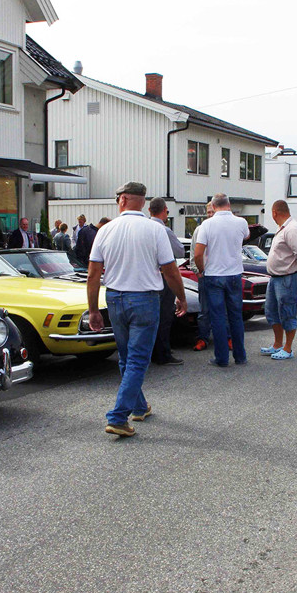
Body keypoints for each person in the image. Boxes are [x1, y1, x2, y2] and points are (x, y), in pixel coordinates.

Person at [87, 182, 186, 437]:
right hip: (144, 299)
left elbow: (93, 274)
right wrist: (181, 297)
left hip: (115, 298)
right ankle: (118, 417)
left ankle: (139, 406)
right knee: (138, 360)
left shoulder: (105, 230)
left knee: (127, 359)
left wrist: (93, 310)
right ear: (143, 202)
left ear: (122, 200)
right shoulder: (155, 229)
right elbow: (170, 270)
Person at [194, 193, 249, 367]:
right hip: (234, 274)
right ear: (229, 204)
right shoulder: (241, 222)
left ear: (213, 206)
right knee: (236, 317)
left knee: (217, 317)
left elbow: (198, 253)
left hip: (214, 275)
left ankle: (222, 358)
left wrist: (202, 269)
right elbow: (246, 236)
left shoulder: (207, 225)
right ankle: (240, 356)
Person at [261, 200, 297, 359]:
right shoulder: (282, 228)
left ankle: (288, 348)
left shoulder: (292, 229)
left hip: (287, 277)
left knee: (287, 312)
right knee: (271, 311)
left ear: (275, 212)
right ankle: (277, 344)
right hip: (276, 277)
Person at [149, 197, 185, 366]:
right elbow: (179, 252)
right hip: (163, 276)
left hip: (148, 277)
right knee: (164, 316)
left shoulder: (144, 227)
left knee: (151, 316)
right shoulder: (164, 230)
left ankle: (152, 350)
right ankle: (163, 353)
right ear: (164, 211)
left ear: (149, 211)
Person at [190, 202, 217, 352]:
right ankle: (202, 338)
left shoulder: (223, 229)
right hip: (204, 275)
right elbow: (194, 252)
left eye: (213, 212)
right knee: (203, 311)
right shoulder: (200, 230)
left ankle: (228, 338)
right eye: (208, 212)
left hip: (220, 274)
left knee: (224, 310)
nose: (210, 215)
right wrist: (198, 271)